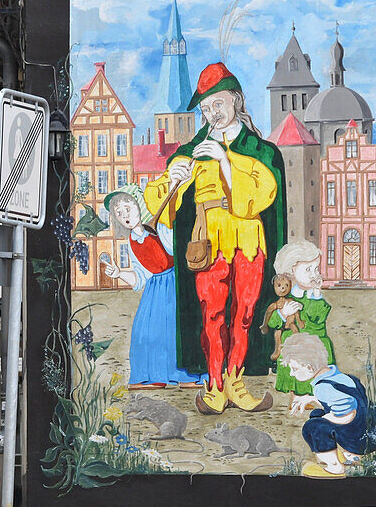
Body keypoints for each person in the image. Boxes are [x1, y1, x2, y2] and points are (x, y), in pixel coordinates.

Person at [144, 62, 287, 415]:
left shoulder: (260, 149)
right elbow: (163, 202)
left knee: (245, 314)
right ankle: (214, 384)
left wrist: (224, 161)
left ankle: (236, 380)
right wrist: (173, 176)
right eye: (206, 109)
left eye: (217, 105)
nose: (212, 114)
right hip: (208, 241)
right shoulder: (194, 147)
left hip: (249, 241)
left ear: (236, 100)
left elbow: (262, 194)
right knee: (212, 314)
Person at [102, 185, 205, 388]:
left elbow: (179, 250)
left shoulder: (161, 230)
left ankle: (187, 376)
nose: (125, 215)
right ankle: (151, 376)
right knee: (145, 332)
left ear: (139, 205)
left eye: (127, 208)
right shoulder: (132, 241)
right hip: (154, 290)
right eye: (119, 213)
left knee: (175, 331)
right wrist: (119, 273)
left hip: (174, 285)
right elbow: (140, 277)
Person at [279, 332, 376, 479]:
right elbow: (346, 401)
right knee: (317, 414)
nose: (291, 373)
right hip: (369, 431)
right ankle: (351, 457)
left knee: (313, 426)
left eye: (294, 369)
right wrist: (310, 399)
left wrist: (326, 419)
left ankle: (335, 467)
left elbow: (348, 415)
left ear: (309, 367)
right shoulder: (340, 377)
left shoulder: (322, 388)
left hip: (359, 441)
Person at [267, 240, 336, 412]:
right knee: (295, 363)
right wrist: (283, 314)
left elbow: (319, 317)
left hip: (316, 342)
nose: (314, 274)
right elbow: (273, 323)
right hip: (295, 344)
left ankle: (317, 396)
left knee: (318, 365)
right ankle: (297, 397)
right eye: (308, 269)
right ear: (291, 271)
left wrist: (317, 293)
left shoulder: (313, 295)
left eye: (316, 269)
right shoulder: (286, 297)